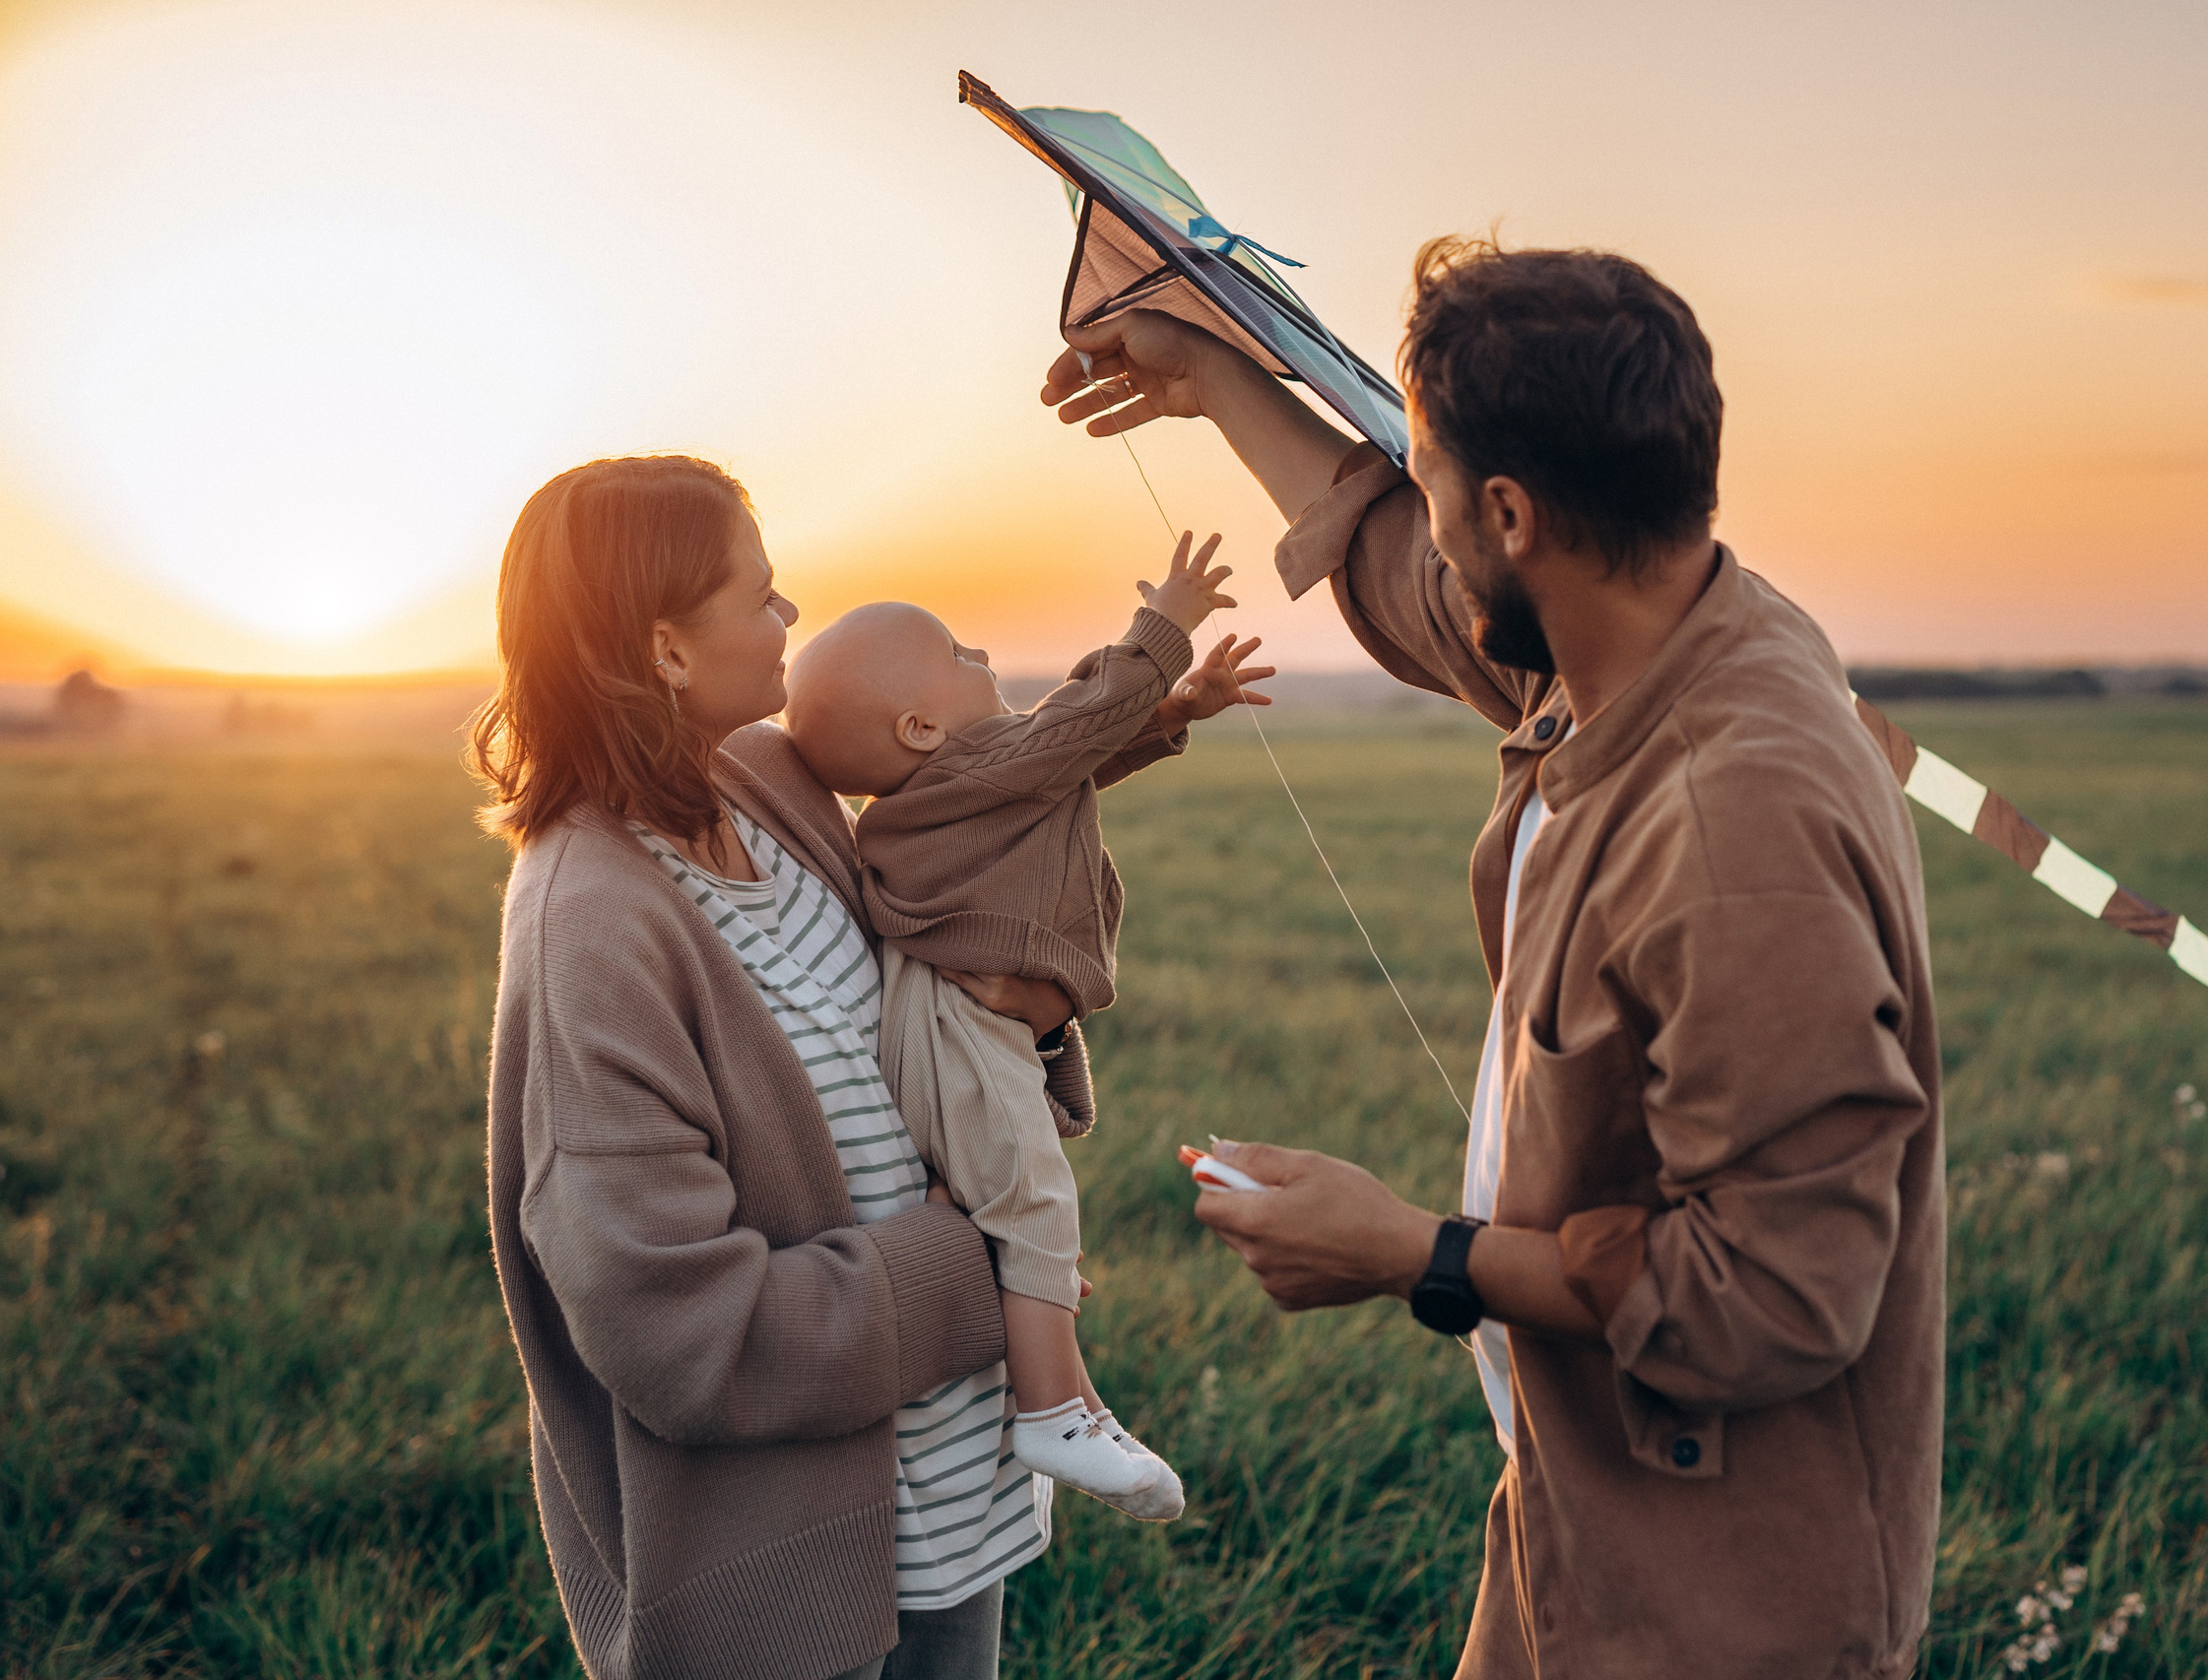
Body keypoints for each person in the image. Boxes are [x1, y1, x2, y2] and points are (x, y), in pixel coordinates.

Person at [1041, 239, 1946, 1679]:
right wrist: (1214, 378)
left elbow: (1781, 1295)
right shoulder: (1650, 630)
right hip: (1579, 1519)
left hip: (1719, 1604)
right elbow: (1407, 575)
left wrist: (1410, 1251)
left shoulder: (1735, 827)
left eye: (1441, 483)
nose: (1429, 524)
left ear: (1513, 510)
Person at [474, 455, 1075, 1680]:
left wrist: (1036, 1023)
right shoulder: (591, 922)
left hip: (954, 1499)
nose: (790, 616)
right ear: (665, 650)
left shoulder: (768, 782)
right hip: (783, 1579)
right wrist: (976, 1263)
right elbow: (680, 1330)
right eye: (759, 595)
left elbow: (929, 985)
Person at [779, 534, 1272, 1518]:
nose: (985, 658)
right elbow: (1067, 731)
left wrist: (1174, 711)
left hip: (961, 1016)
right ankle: (1050, 1409)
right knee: (1032, 1200)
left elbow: (1067, 763)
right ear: (920, 726)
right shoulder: (973, 774)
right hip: (958, 1019)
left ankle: (1072, 1397)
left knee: (1020, 1198)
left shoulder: (960, 789)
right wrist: (1163, 628)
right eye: (960, 654)